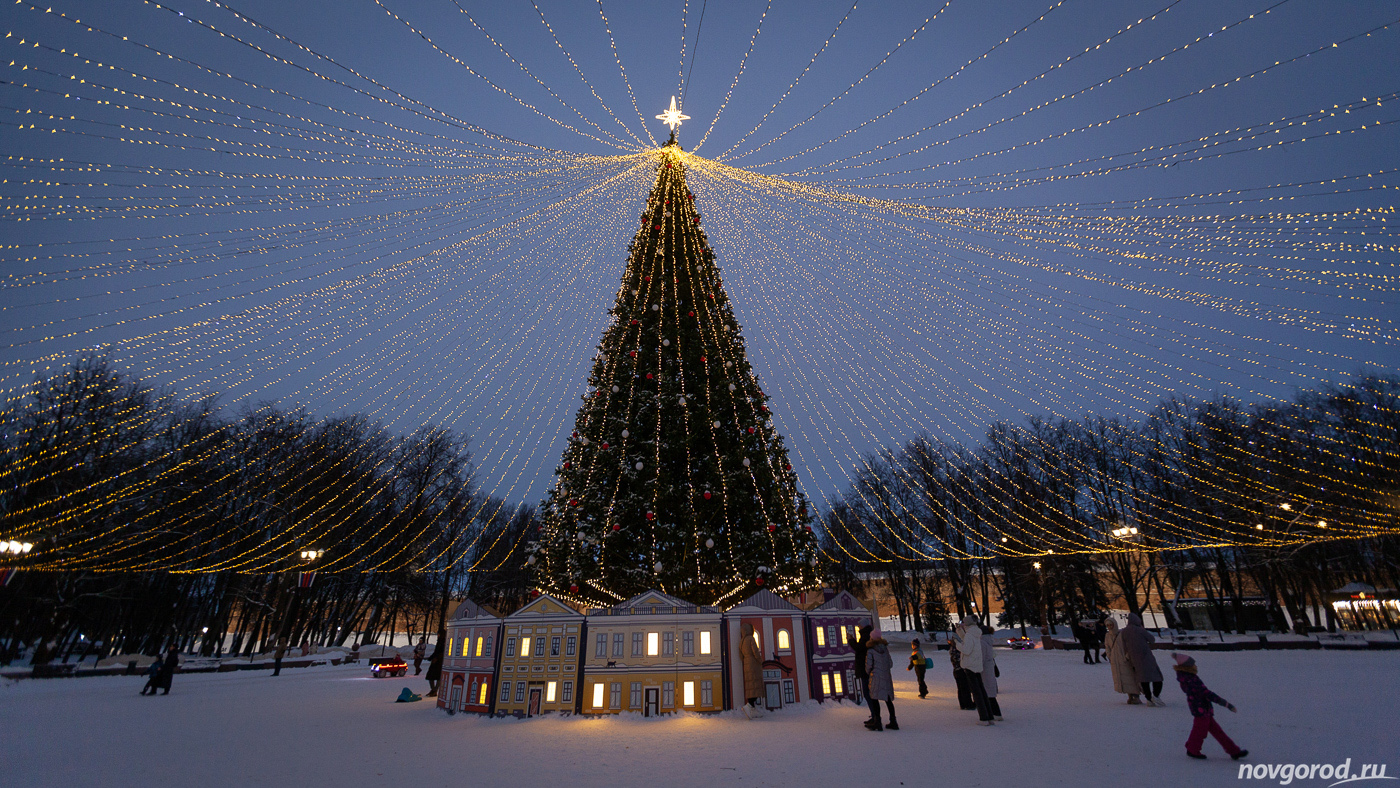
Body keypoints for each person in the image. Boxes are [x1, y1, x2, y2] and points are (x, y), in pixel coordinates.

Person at [1172, 653, 1248, 761]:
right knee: (1200, 732)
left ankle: (1234, 751)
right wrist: (1225, 703)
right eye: (1194, 664)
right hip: (1200, 710)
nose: (1196, 666)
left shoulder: (1189, 678)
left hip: (1203, 709)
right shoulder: (1191, 680)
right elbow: (1206, 693)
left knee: (1216, 732)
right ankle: (1193, 750)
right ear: (1188, 667)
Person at [956, 615, 994, 725]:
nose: (962, 624)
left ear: (967, 624)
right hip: (977, 666)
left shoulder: (969, 635)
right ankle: (989, 716)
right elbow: (969, 641)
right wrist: (959, 631)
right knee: (981, 691)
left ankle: (983, 718)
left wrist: (957, 644)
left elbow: (966, 650)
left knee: (977, 693)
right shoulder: (975, 633)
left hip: (970, 666)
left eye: (963, 622)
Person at [1121, 613, 1165, 705]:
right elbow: (1152, 639)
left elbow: (1124, 646)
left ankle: (1148, 699)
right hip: (1146, 657)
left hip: (1134, 659)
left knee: (1144, 679)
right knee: (1157, 678)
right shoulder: (1140, 630)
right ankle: (1156, 696)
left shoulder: (1124, 632)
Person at [863, 632, 898, 731]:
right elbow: (890, 663)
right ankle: (893, 721)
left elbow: (868, 665)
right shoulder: (885, 649)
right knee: (888, 700)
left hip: (875, 677)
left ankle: (877, 721)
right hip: (886, 677)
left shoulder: (871, 650)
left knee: (874, 699)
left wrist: (869, 672)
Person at [1103, 618, 1142, 704]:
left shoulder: (1122, 634)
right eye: (1108, 625)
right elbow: (1107, 647)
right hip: (1115, 661)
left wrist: (1127, 656)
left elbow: (1128, 645)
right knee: (1122, 679)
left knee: (1130, 677)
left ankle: (1135, 695)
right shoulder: (1108, 635)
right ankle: (1130, 695)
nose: (1109, 627)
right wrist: (1110, 656)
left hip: (1124, 660)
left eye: (1111, 625)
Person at [738, 622, 764, 717]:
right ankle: (749, 706)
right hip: (753, 664)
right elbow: (755, 651)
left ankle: (752, 709)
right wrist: (760, 660)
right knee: (756, 686)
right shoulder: (751, 639)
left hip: (746, 664)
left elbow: (740, 656)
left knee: (750, 687)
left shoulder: (741, 641)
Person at [949, 620, 976, 710]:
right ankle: (967, 704)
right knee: (964, 687)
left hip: (957, 669)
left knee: (961, 688)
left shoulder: (954, 647)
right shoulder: (957, 648)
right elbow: (958, 658)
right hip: (960, 669)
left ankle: (963, 704)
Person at [980, 624, 1003, 721]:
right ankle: (995, 713)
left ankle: (994, 714)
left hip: (985, 670)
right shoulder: (988, 640)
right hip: (989, 668)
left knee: (988, 694)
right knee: (990, 693)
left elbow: (982, 658)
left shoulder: (982, 642)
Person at [852, 624, 873, 716]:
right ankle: (875, 715)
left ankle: (875, 716)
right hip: (866, 669)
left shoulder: (865, 637)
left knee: (868, 693)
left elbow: (858, 648)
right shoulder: (867, 636)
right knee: (869, 693)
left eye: (860, 626)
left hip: (865, 670)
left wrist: (851, 640)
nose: (858, 628)